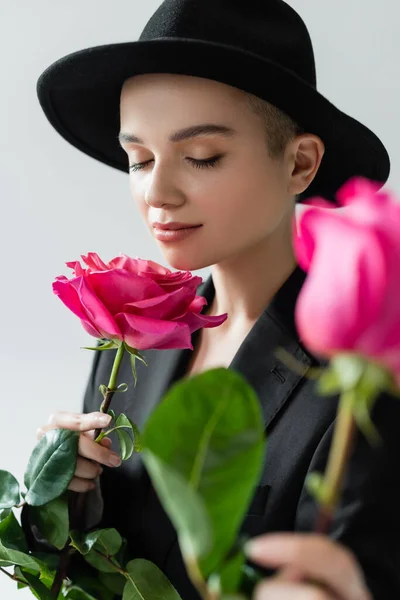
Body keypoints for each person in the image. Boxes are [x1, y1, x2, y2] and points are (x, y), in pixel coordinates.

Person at [22, 0, 399, 598]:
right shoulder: (131, 336)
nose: (157, 193)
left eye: (202, 157)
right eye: (138, 159)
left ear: (300, 163)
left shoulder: (364, 385)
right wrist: (66, 503)